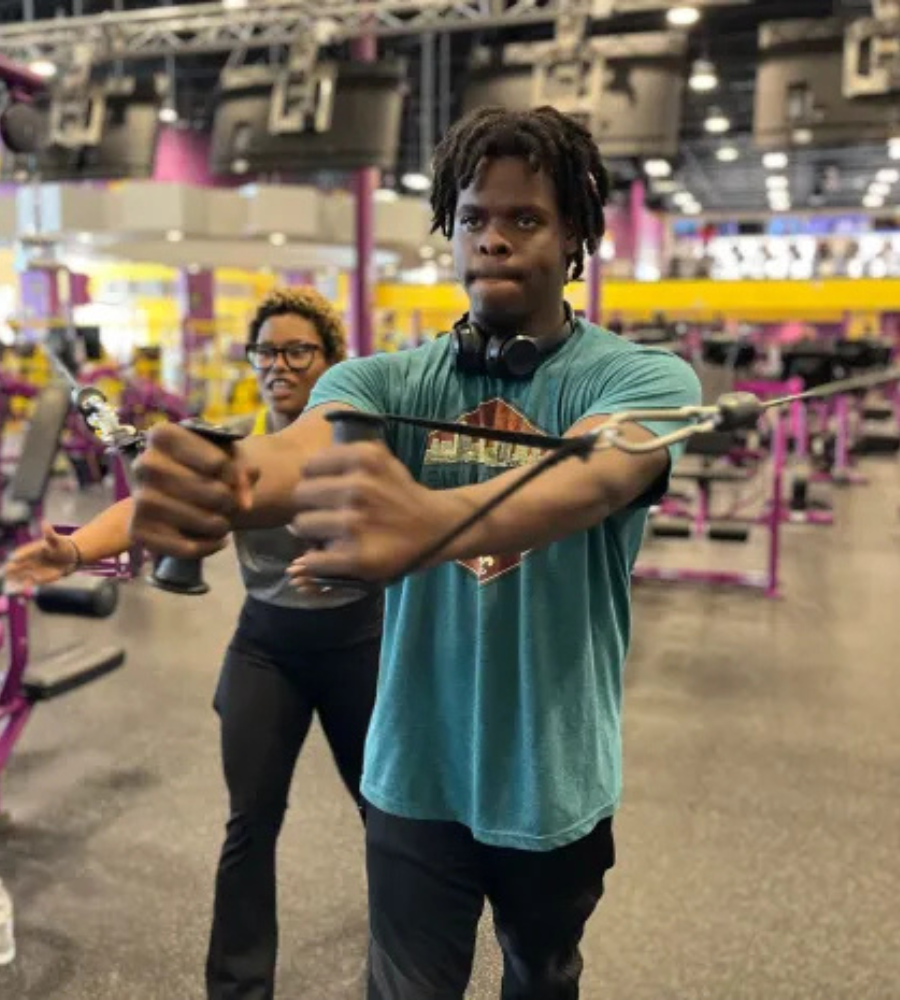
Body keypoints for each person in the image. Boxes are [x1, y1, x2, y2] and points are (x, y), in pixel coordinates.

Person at [128, 105, 703, 999]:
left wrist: (429, 523)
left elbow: (596, 476)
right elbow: (292, 453)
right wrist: (220, 482)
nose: (493, 239)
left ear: (575, 237)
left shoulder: (642, 376)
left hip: (552, 780)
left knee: (541, 979)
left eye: (525, 218)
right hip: (411, 777)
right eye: (474, 218)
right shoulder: (384, 380)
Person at [5, 287, 383, 1000]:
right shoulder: (230, 442)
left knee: (386, 819)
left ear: (332, 362)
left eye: (298, 350)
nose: (278, 364)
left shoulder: (362, 440)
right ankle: (238, 989)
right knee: (250, 824)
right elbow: (145, 506)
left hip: (359, 643)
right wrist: (75, 550)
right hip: (267, 647)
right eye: (266, 350)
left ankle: (404, 970)